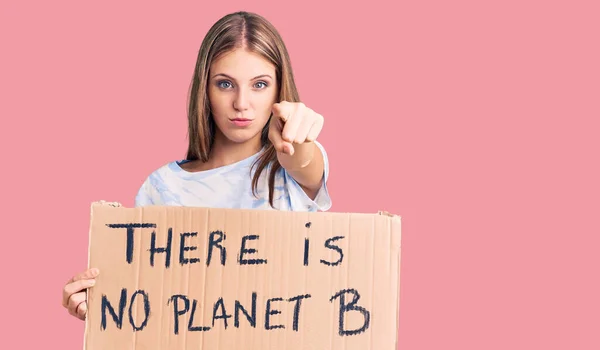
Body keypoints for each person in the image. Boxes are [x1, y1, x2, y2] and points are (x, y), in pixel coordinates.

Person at [61, 11, 332, 321]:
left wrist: (296, 138)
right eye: (226, 84)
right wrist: (100, 302)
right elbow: (146, 302)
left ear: (278, 89)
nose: (242, 103)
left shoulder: (290, 174)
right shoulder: (162, 187)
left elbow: (304, 162)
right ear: (205, 89)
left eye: (259, 85)